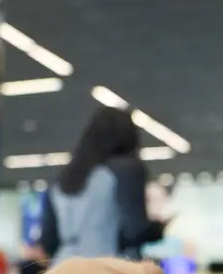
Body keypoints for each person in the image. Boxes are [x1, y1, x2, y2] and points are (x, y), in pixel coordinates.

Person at [40, 106, 167, 264]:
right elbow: (133, 231)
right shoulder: (126, 169)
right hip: (108, 269)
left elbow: (48, 241)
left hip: (64, 268)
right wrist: (158, 229)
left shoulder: (62, 180)